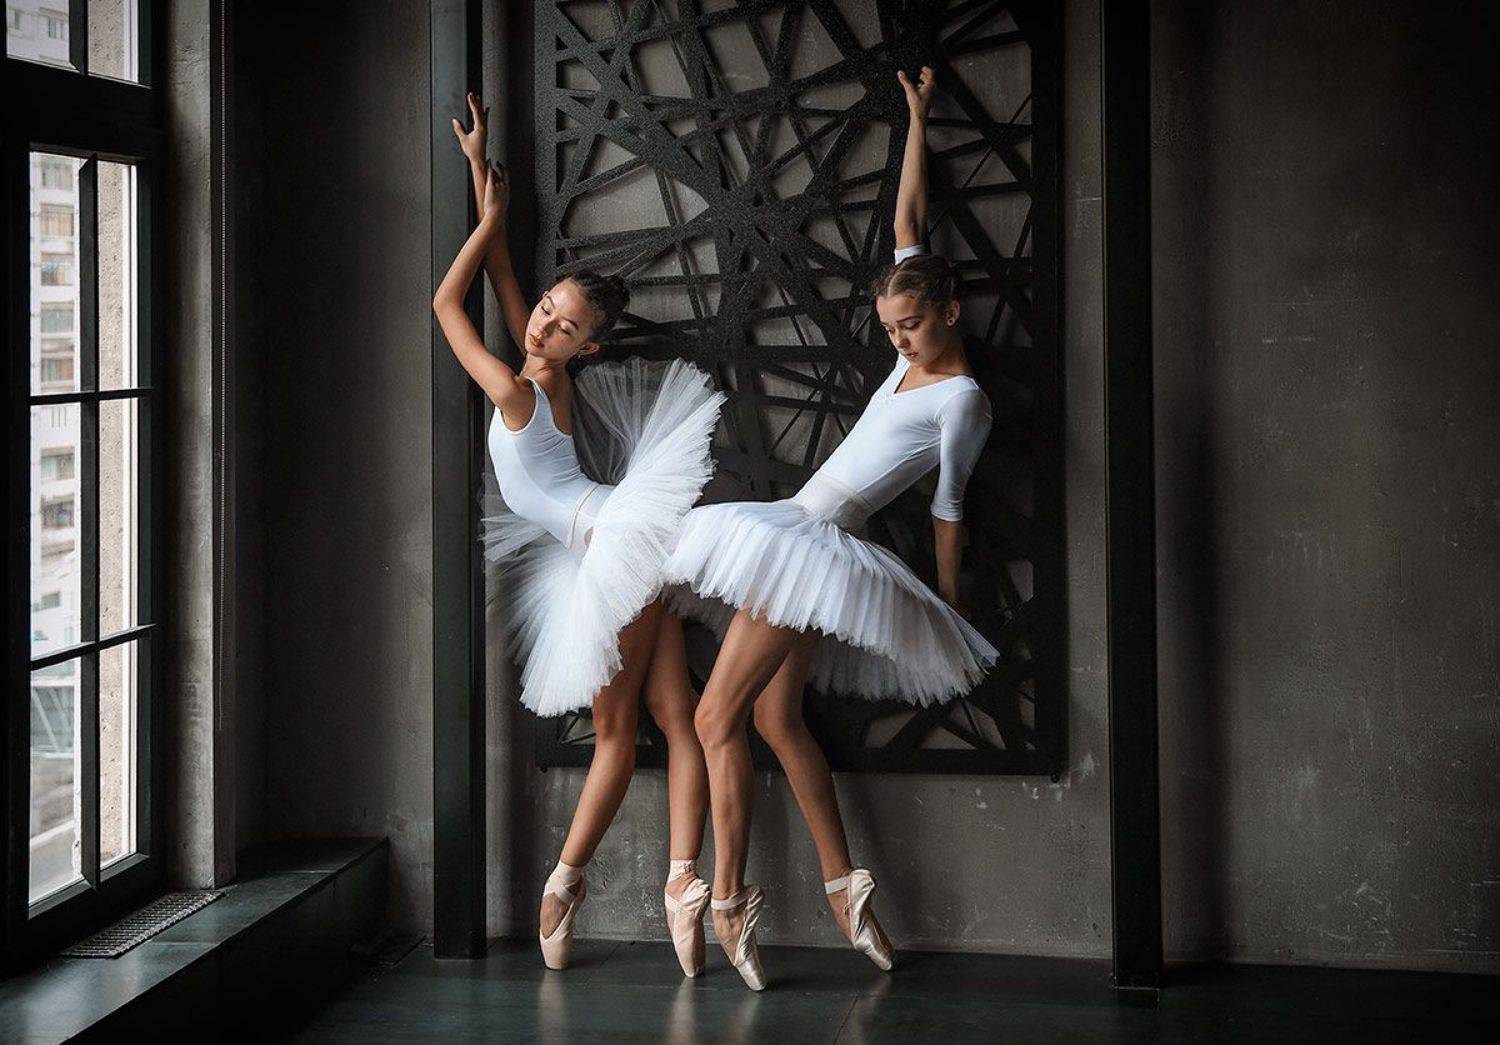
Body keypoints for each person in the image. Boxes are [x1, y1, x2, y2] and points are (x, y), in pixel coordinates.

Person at [661, 67, 998, 990]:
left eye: (912, 326)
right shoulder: (911, 342)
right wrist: (919, 118)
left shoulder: (962, 399)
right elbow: (907, 220)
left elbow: (949, 506)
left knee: (714, 714)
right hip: (795, 531)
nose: (899, 340)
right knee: (776, 717)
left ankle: (731, 900)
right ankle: (847, 888)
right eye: (890, 328)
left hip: (815, 544)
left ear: (950, 312)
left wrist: (944, 599)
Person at [437, 95, 724, 977]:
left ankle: (563, 884)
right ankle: (683, 885)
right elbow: (504, 286)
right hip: (610, 537)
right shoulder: (543, 371)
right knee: (676, 716)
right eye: (546, 309)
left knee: (615, 732)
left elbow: (445, 303)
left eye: (565, 326)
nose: (543, 324)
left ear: (586, 350)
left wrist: (488, 223)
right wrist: (481, 180)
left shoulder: (519, 391)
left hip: (609, 544)